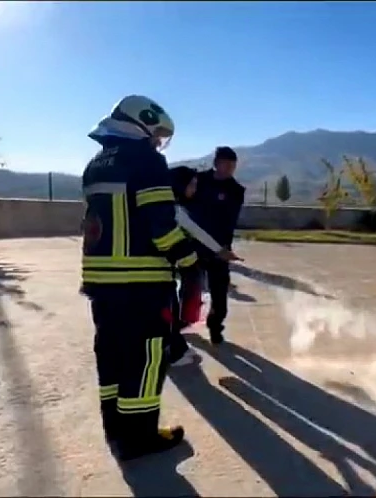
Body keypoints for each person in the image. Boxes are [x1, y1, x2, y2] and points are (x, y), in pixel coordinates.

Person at [80, 94, 200, 461]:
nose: (158, 140)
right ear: (141, 123)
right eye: (157, 132)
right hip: (141, 282)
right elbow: (160, 225)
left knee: (112, 357)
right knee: (147, 360)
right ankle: (141, 438)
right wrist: (191, 262)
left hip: (102, 283)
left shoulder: (96, 164)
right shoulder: (146, 160)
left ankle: (116, 431)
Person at [167, 166, 240, 366]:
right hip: (155, 268)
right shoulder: (169, 209)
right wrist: (219, 251)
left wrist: (220, 251)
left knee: (169, 304)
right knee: (166, 307)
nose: (194, 190)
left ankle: (175, 346)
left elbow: (195, 231)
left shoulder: (173, 206)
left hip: (163, 268)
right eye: (191, 185)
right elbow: (194, 232)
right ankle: (174, 352)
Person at [185, 146, 246, 345]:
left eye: (233, 166)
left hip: (219, 249)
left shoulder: (236, 191)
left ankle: (215, 327)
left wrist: (225, 248)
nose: (229, 169)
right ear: (216, 163)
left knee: (219, 294)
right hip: (194, 245)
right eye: (226, 164)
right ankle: (181, 323)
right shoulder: (198, 181)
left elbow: (230, 222)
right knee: (190, 288)